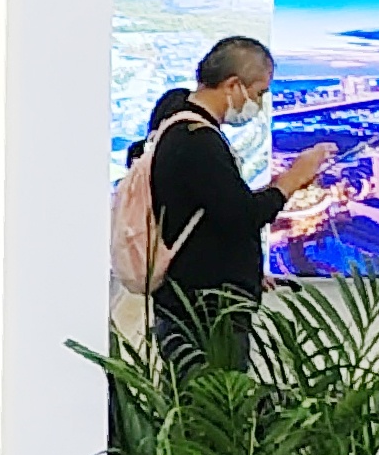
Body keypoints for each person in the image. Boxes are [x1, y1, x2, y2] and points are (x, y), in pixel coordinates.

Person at [135, 34, 330, 367]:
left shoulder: (179, 127)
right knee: (214, 394)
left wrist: (243, 270)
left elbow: (215, 210)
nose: (259, 104)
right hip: (205, 315)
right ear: (233, 85)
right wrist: (293, 179)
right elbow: (242, 215)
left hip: (195, 304)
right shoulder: (197, 141)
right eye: (259, 93)